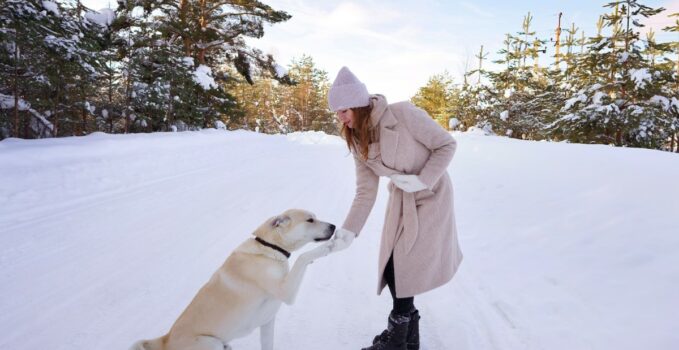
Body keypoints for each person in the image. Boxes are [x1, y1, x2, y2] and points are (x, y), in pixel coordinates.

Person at [325, 67, 463, 350]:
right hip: (402, 200)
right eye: (336, 112)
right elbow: (365, 193)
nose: (339, 118)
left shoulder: (403, 114)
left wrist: (422, 180)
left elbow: (446, 145)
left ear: (357, 103)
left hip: (432, 194)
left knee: (403, 268)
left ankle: (396, 341)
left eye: (342, 110)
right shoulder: (358, 139)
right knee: (392, 268)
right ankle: (407, 338)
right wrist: (348, 232)